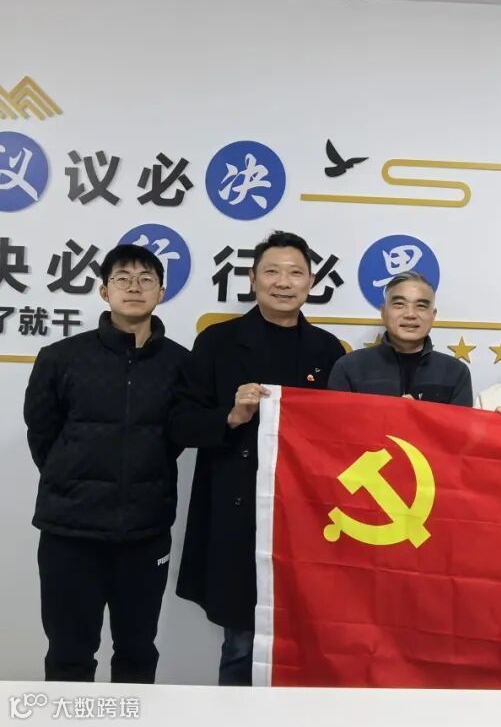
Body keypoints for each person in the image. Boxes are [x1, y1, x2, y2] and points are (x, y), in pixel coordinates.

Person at [171, 231, 345, 686]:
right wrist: (230, 416)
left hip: (307, 518)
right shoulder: (216, 342)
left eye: (295, 273)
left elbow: (343, 436)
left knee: (308, 638)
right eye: (272, 271)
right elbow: (181, 424)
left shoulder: (329, 350)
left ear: (311, 282)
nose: (283, 282)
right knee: (240, 643)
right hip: (238, 514)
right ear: (252, 279)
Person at [23, 244, 188, 682]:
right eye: (122, 278)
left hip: (146, 531)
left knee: (137, 652)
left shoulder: (180, 363)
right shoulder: (61, 357)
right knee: (69, 653)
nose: (134, 287)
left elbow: (177, 436)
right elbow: (42, 434)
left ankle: (130, 715)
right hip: (69, 532)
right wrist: (72, 478)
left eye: (146, 279)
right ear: (103, 291)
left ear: (162, 292)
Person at [328, 271, 471, 404]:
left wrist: (422, 414)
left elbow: (458, 423)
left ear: (433, 315)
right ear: (383, 312)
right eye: (399, 304)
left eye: (421, 306)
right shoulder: (349, 367)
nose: (410, 314)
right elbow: (338, 422)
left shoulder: (455, 372)